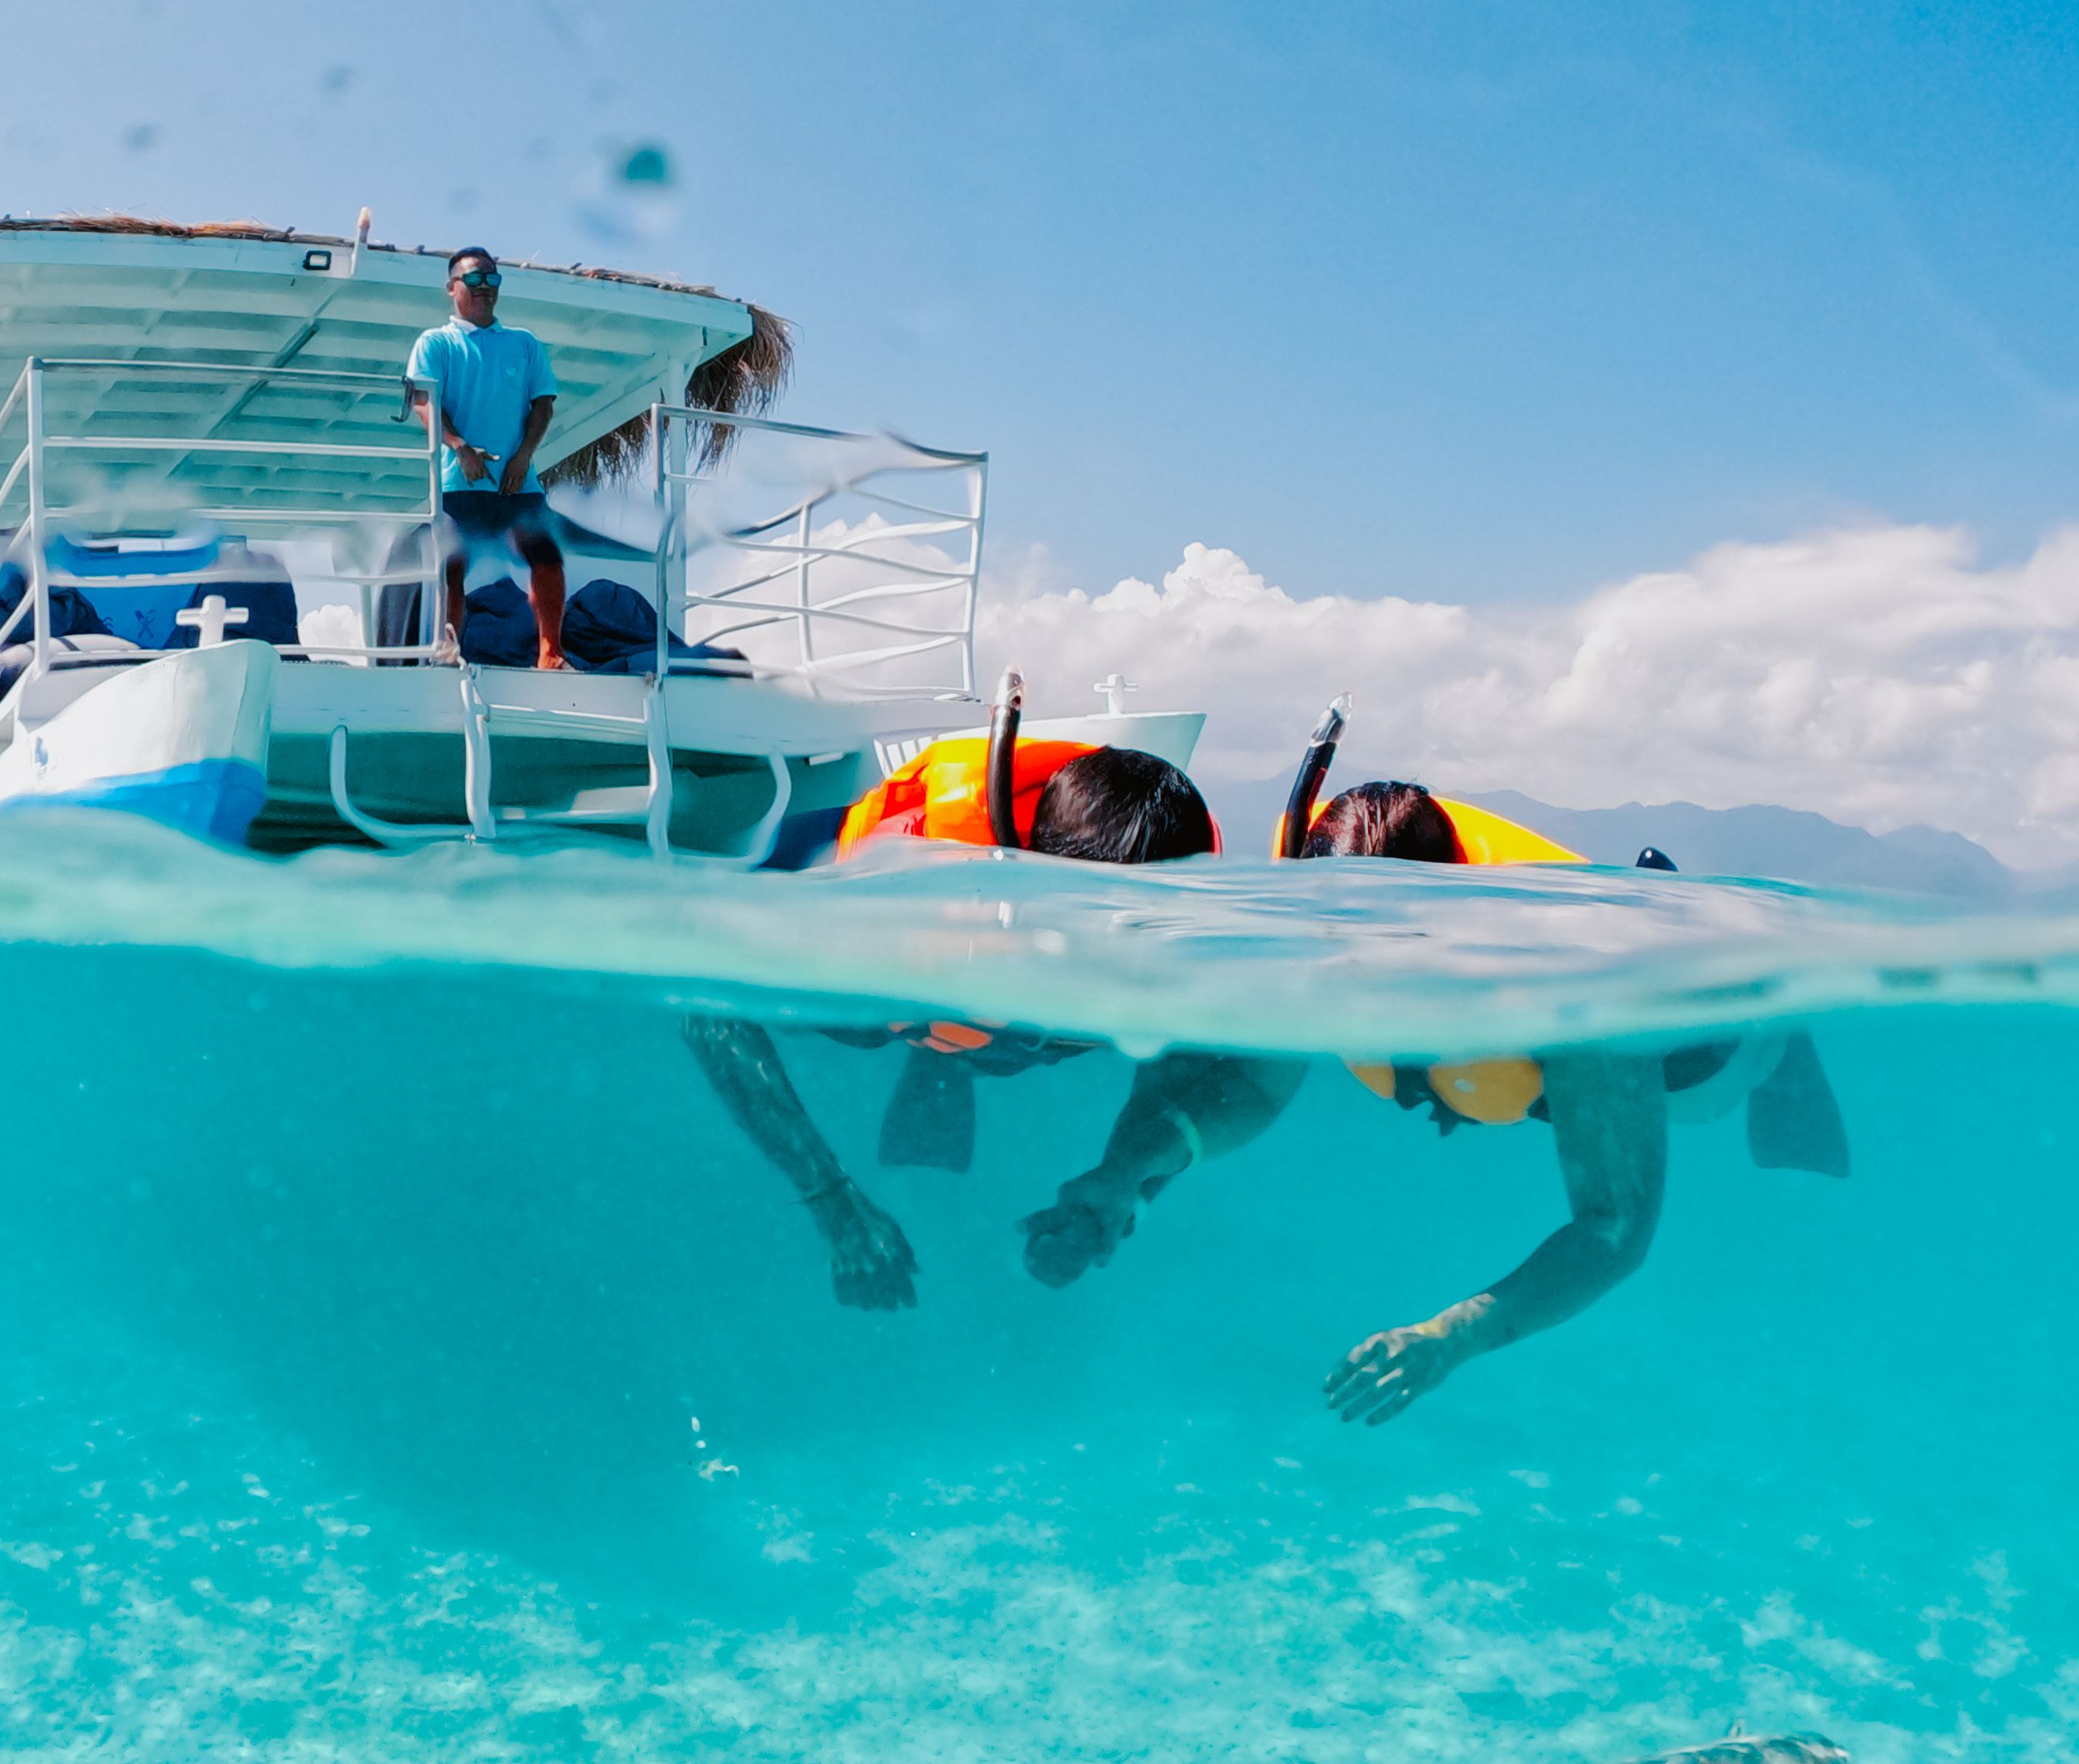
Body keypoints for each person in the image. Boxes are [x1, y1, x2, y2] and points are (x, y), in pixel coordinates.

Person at [1018, 779, 1670, 1425]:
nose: (1358, 1000)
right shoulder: (1307, 947)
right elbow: (1248, 1086)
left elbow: (1614, 1229)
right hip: (1465, 1067)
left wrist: (1451, 1338)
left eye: (1384, 969)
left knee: (1724, 1095)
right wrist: (1125, 1173)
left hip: (1700, 1072)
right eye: (1336, 961)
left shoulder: (1579, 1000)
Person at [682, 742, 1218, 1310]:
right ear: (1023, 886)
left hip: (991, 1024)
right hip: (896, 993)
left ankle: (949, 1053)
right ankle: (943, 1048)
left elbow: (1203, 1069)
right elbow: (709, 1011)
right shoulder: (837, 896)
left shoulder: (1167, 934)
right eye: (1099, 947)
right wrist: (831, 1198)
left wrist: (1126, 1179)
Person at [404, 248, 567, 672]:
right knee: (452, 564)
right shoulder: (435, 342)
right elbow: (424, 402)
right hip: (459, 482)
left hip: (518, 483)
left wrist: (523, 457)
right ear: (452, 288)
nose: (484, 290)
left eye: (492, 281)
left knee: (547, 558)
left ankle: (551, 654)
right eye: (474, 281)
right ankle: (448, 651)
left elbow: (543, 405)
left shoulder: (524, 343)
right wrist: (459, 447)